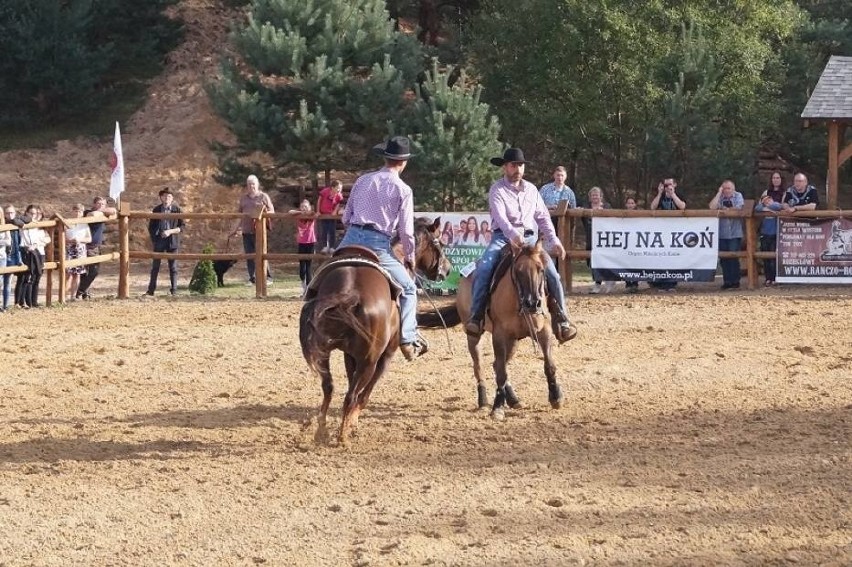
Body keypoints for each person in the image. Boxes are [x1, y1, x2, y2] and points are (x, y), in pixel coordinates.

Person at [464, 148, 578, 343]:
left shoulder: (532, 190)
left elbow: (542, 217)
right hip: (502, 237)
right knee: (484, 267)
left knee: (552, 273)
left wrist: (554, 240)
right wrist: (513, 235)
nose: (517, 168)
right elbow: (500, 218)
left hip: (531, 240)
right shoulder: (497, 189)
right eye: (513, 165)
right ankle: (477, 316)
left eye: (520, 165)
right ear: (505, 168)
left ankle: (562, 318)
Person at [337, 135, 427, 361]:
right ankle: (407, 338)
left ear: (385, 158)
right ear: (404, 162)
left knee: (322, 277)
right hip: (377, 244)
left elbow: (346, 218)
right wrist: (410, 256)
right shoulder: (403, 189)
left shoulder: (363, 180)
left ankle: (310, 303)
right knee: (407, 289)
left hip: (350, 238)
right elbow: (406, 232)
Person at [230, 174, 275, 284]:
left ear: (257, 184)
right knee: (249, 255)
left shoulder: (263, 196)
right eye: (249, 184)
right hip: (246, 231)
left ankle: (267, 277)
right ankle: (252, 278)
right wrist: (234, 230)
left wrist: (262, 213)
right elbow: (239, 215)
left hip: (259, 231)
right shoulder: (243, 199)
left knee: (262, 254)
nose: (251, 186)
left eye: (253, 184)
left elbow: (272, 212)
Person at [76, 196, 117, 300]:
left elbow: (114, 210)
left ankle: (83, 292)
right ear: (94, 204)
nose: (100, 206)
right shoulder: (88, 212)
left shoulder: (102, 213)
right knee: (90, 271)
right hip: (87, 246)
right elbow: (92, 214)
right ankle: (80, 292)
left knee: (91, 271)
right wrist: (102, 211)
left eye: (102, 204)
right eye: (98, 203)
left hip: (96, 247)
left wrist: (103, 210)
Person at [649, 178, 686, 291]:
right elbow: (653, 207)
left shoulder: (678, 195)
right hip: (662, 232)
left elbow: (682, 206)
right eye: (666, 184)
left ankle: (671, 284)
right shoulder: (660, 196)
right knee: (661, 257)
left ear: (675, 184)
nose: (667, 186)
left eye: (670, 184)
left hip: (675, 232)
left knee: (673, 257)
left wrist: (673, 194)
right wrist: (660, 193)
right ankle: (660, 283)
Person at [145, 188, 184, 296]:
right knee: (155, 267)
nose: (167, 198)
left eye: (169, 196)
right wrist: (155, 238)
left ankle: (174, 290)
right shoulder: (156, 209)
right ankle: (151, 290)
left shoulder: (177, 210)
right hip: (160, 240)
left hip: (172, 240)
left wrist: (170, 232)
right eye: (165, 196)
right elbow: (151, 227)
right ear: (161, 197)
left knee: (173, 267)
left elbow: (182, 226)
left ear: (172, 198)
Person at [709, 180, 745, 289]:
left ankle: (735, 281)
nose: (727, 191)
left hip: (735, 233)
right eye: (724, 188)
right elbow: (712, 207)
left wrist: (725, 209)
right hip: (722, 233)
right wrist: (719, 193)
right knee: (724, 259)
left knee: (733, 258)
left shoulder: (738, 196)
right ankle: (727, 281)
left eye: (729, 188)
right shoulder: (720, 196)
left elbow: (739, 208)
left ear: (733, 189)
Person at [754, 171, 785, 286]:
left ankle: (777, 278)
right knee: (765, 255)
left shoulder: (785, 193)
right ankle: (768, 278)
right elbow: (758, 207)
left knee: (776, 255)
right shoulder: (766, 192)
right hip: (765, 229)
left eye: (778, 177)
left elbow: (781, 207)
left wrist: (769, 205)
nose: (776, 180)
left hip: (778, 229)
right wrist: (767, 209)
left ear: (781, 179)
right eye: (774, 178)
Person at [17, 204, 51, 308]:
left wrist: (38, 243)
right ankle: (27, 302)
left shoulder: (40, 226)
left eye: (35, 213)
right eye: (31, 213)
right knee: (29, 277)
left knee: (37, 278)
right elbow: (17, 220)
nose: (34, 215)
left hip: (40, 252)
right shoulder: (25, 224)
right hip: (30, 252)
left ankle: (34, 301)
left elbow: (47, 239)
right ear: (27, 213)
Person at [580, 187, 613, 294]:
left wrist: (603, 212)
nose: (595, 197)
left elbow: (613, 219)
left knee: (604, 260)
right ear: (590, 197)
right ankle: (597, 282)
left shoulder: (607, 206)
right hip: (590, 239)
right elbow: (581, 213)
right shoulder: (586, 207)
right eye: (593, 195)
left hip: (603, 239)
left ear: (601, 196)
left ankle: (603, 283)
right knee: (591, 261)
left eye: (597, 195)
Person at [288, 199, 317, 297]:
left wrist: (307, 212)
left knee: (308, 267)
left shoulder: (311, 216)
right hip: (301, 243)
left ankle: (308, 291)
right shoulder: (299, 216)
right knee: (302, 267)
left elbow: (315, 214)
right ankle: (304, 288)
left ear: (309, 207)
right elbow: (290, 212)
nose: (304, 209)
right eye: (302, 207)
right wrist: (301, 212)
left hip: (310, 242)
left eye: (306, 207)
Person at [65, 203, 92, 301]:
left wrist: (80, 240)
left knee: (77, 274)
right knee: (68, 274)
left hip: (80, 249)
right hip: (70, 249)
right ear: (72, 211)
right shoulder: (67, 223)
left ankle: (73, 295)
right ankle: (65, 295)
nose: (77, 213)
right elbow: (63, 238)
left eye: (79, 211)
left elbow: (89, 238)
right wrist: (71, 241)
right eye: (75, 211)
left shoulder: (84, 224)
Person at [539, 165, 577, 229]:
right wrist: (550, 207)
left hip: (564, 226)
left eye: (562, 175)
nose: (560, 178)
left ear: (565, 177)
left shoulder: (569, 192)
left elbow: (573, 209)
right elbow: (537, 205)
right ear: (554, 175)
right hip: (546, 223)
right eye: (558, 175)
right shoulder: (545, 189)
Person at [316, 180, 343, 254]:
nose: (339, 190)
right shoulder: (325, 191)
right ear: (332, 187)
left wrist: (335, 211)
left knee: (332, 231)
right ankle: (325, 246)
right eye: (338, 188)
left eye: (340, 188)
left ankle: (332, 247)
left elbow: (338, 203)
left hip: (331, 215)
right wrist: (318, 211)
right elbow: (319, 200)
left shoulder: (339, 195)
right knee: (324, 231)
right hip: (324, 214)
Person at [623, 196, 640, 293]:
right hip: (625, 243)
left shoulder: (640, 215)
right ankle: (628, 283)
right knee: (626, 263)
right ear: (626, 204)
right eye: (628, 203)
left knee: (635, 263)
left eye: (632, 203)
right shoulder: (622, 215)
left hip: (636, 242)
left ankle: (635, 284)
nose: (630, 205)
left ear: (635, 205)